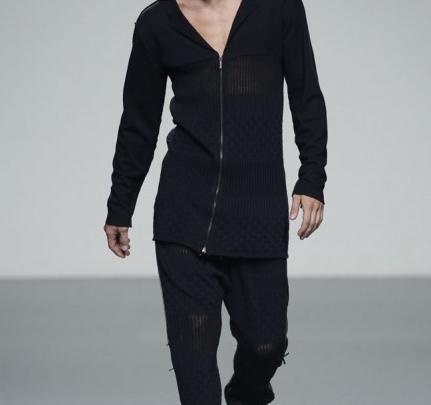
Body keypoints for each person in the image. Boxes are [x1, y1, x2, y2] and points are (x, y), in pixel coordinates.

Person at [104, 0, 327, 403]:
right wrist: (120, 205)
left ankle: (244, 394)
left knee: (266, 345)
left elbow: (306, 96)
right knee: (194, 368)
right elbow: (138, 122)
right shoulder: (157, 23)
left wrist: (311, 178)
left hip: (258, 214)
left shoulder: (278, 10)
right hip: (183, 216)